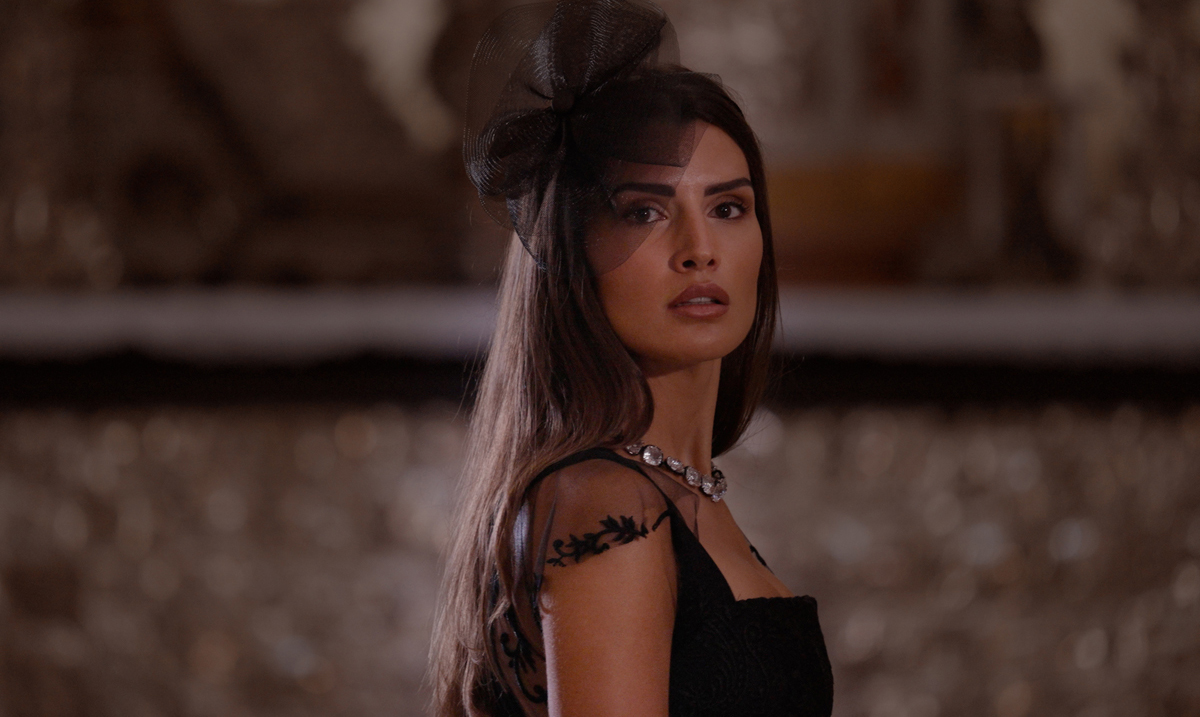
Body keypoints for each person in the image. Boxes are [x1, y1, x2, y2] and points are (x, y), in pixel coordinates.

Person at [430, 1, 833, 715]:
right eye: (645, 212)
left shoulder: (673, 493)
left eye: (728, 208)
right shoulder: (606, 500)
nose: (699, 249)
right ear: (571, 251)